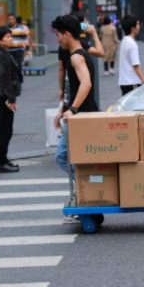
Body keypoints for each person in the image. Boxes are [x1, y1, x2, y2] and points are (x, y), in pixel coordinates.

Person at [51, 15, 99, 224]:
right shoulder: (79, 54)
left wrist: (72, 109)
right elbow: (74, 87)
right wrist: (63, 108)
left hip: (81, 117)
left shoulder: (76, 57)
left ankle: (89, 191)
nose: (57, 39)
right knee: (73, 160)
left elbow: (86, 84)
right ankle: (87, 195)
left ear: (67, 34)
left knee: (64, 157)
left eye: (58, 35)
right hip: (78, 115)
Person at [0, 26, 22, 173]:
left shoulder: (4, 53)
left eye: (11, 36)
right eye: (7, 37)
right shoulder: (2, 55)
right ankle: (1, 162)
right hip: (4, 96)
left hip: (4, 96)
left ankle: (3, 159)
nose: (11, 39)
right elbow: (5, 80)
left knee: (5, 129)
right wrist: (11, 99)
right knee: (5, 130)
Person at [118, 14, 144, 96]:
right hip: (132, 82)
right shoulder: (132, 44)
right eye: (137, 24)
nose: (139, 27)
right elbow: (136, 65)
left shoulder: (124, 40)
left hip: (125, 82)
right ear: (132, 28)